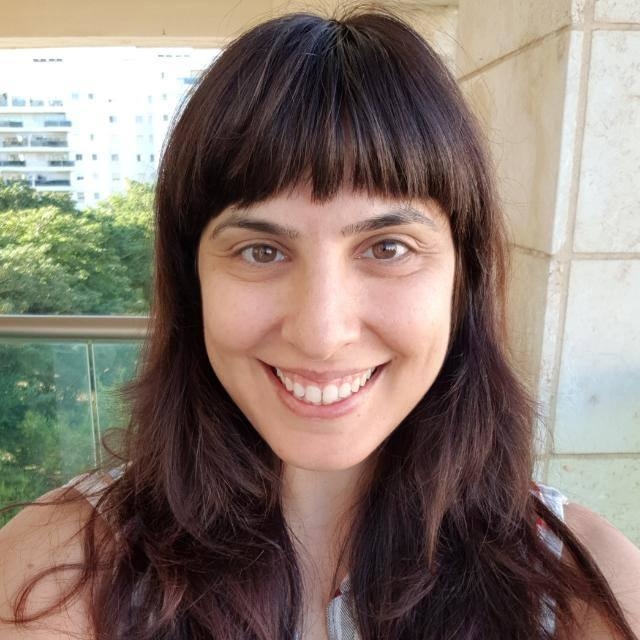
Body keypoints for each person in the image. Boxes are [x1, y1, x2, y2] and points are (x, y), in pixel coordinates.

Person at [1, 7, 639, 640]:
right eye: (261, 251)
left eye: (387, 247)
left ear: (461, 279)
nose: (321, 333)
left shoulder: (584, 587)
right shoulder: (57, 576)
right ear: (192, 282)